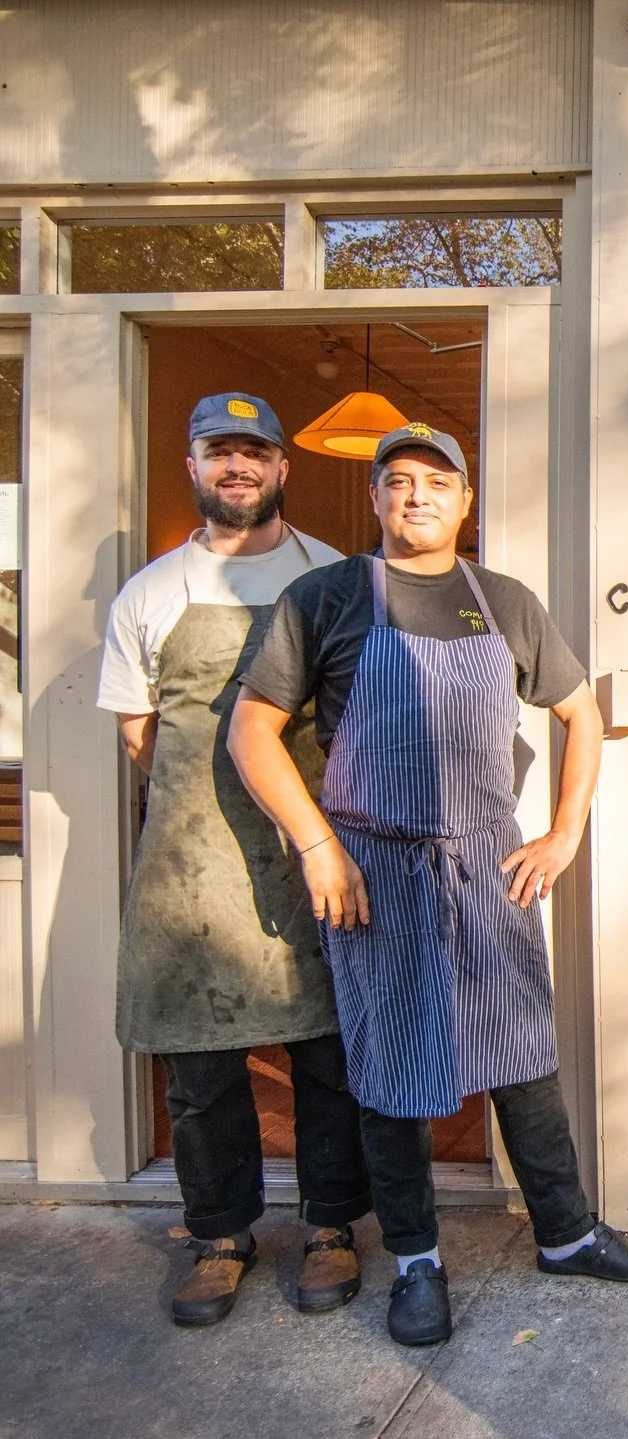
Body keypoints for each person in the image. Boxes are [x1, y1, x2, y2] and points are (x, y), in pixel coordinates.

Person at [228, 421, 628, 1347]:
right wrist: (317, 845)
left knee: (522, 1058)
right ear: (377, 500)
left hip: (485, 860)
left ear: (465, 501)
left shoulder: (502, 599)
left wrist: (563, 833)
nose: (415, 494)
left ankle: (567, 1232)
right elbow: (251, 731)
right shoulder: (329, 596)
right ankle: (417, 1261)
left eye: (435, 481)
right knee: (390, 1070)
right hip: (372, 871)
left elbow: (581, 715)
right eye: (398, 482)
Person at [99, 393, 369, 1327]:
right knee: (202, 1074)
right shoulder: (149, 593)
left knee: (325, 1055)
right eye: (221, 452)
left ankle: (331, 1224)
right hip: (190, 868)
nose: (239, 468)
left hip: (313, 853)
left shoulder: (334, 576)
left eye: (255, 452)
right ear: (194, 466)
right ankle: (219, 1235)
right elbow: (142, 735)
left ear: (283, 467)